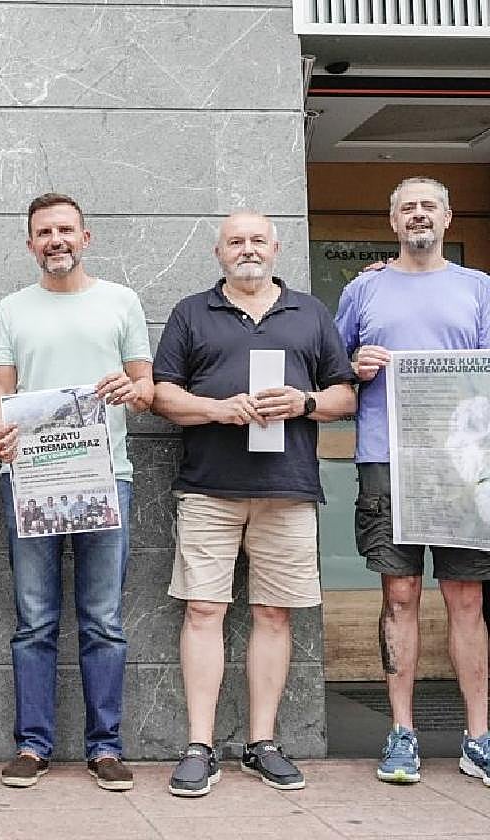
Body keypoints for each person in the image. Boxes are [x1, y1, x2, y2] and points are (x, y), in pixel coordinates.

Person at [152, 211, 356, 796]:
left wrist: (305, 402)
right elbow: (163, 393)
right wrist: (217, 410)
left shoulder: (311, 313)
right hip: (208, 487)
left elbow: (345, 394)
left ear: (276, 248)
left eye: (257, 241)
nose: (247, 249)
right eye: (235, 241)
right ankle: (199, 745)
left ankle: (262, 742)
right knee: (203, 612)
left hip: (287, 488)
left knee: (274, 613)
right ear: (218, 252)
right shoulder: (192, 312)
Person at [0, 193, 153, 791]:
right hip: (30, 478)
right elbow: (0, 388)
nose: (55, 240)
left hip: (108, 477)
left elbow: (147, 386)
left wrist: (130, 389)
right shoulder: (13, 308)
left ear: (87, 237)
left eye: (65, 230)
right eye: (43, 232)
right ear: (30, 243)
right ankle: (32, 745)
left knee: (103, 619)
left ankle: (105, 747)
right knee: (34, 620)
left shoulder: (121, 302)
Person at [334, 176, 490, 785]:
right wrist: (354, 366)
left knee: (466, 598)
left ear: (448, 219)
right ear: (392, 220)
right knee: (398, 596)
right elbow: (333, 378)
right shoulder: (362, 289)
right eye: (407, 207)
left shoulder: (478, 289)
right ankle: (403, 734)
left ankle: (479, 736)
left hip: (460, 462)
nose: (418, 214)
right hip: (386, 460)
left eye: (428, 205)